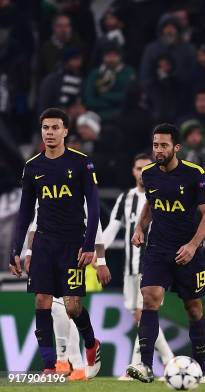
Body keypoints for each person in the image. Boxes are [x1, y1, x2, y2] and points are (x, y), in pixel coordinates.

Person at [9, 107, 102, 378]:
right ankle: (50, 366)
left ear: (65, 131)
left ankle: (91, 343)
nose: (49, 132)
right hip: (44, 244)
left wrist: (88, 245)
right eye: (45, 128)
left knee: (72, 307)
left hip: (72, 244)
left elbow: (94, 207)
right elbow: (25, 211)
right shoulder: (32, 166)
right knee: (42, 301)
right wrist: (17, 249)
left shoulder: (81, 163)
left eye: (55, 128)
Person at [127, 123, 205, 383]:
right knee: (149, 298)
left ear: (177, 147)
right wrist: (139, 228)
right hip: (158, 248)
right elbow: (150, 205)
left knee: (194, 308)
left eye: (164, 145)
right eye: (155, 145)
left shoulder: (194, 174)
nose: (159, 150)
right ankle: (144, 365)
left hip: (188, 250)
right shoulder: (149, 174)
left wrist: (192, 245)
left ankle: (200, 367)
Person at [102, 153, 174, 379]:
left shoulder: (160, 194)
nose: (142, 172)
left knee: (144, 316)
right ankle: (168, 361)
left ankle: (139, 366)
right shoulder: (126, 198)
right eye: (138, 168)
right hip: (129, 270)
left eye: (146, 167)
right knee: (141, 318)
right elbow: (112, 229)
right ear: (133, 171)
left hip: (152, 265)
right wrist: (96, 253)